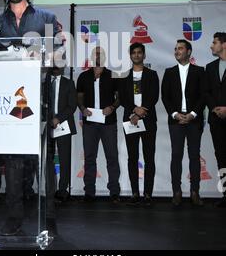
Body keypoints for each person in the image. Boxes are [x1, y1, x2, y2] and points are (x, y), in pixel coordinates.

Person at [0, 0, 61, 236]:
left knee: (44, 163)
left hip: (39, 100)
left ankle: (49, 218)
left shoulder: (47, 18)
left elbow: (59, 59)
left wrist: (39, 59)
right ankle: (14, 217)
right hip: (9, 102)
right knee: (14, 163)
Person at [161, 39, 205, 207]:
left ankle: (195, 192)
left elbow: (203, 95)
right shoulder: (169, 72)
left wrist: (193, 114)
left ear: (189, 52)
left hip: (194, 120)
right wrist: (175, 114)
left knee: (194, 156)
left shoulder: (200, 71)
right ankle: (176, 192)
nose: (177, 51)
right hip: (176, 121)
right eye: (175, 49)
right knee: (176, 156)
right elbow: (165, 96)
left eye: (180, 48)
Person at [76, 46, 120, 202]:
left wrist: (112, 107)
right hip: (89, 123)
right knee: (89, 157)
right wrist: (82, 109)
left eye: (100, 54)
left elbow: (119, 97)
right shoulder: (83, 77)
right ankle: (89, 192)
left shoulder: (113, 75)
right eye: (95, 54)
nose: (98, 56)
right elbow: (79, 97)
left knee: (112, 157)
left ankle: (114, 192)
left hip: (108, 123)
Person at [119, 43, 159, 206]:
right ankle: (135, 193)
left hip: (148, 120)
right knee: (132, 157)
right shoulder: (123, 76)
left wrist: (142, 111)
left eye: (139, 52)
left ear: (144, 55)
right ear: (130, 55)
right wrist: (135, 111)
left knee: (149, 158)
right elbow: (122, 98)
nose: (136, 55)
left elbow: (154, 96)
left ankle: (148, 194)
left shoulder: (152, 74)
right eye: (133, 53)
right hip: (130, 120)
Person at [44, 62, 77, 203]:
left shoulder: (69, 83)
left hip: (64, 125)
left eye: (59, 63)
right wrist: (48, 119)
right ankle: (49, 189)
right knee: (47, 159)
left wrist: (58, 119)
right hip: (46, 125)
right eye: (54, 63)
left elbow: (72, 106)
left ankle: (63, 190)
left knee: (64, 159)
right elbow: (41, 103)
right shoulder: (44, 83)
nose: (56, 66)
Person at [205, 32, 226, 207]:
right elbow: (207, 92)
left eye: (214, 42)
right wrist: (215, 108)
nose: (212, 46)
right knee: (221, 157)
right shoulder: (210, 67)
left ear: (224, 44)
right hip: (216, 119)